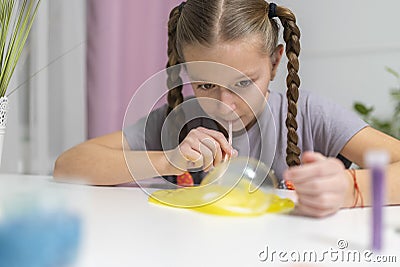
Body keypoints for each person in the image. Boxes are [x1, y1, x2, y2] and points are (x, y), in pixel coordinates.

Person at [53, 0, 400, 218]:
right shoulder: (177, 123)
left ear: (276, 62)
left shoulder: (312, 116)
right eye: (205, 85)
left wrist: (350, 189)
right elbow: (69, 165)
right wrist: (168, 159)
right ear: (184, 70)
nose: (225, 105)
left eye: (244, 83)